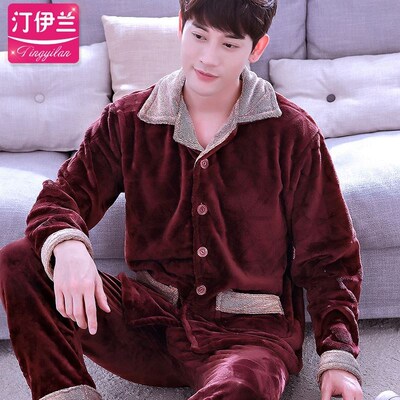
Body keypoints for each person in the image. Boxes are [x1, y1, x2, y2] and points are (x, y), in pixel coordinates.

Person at [0, 0, 363, 399]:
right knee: (21, 261)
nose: (208, 57)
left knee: (241, 387)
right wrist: (68, 245)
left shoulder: (292, 134)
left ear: (256, 48)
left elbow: (330, 256)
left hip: (248, 339)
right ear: (180, 26)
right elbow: (61, 197)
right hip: (149, 323)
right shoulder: (127, 120)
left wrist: (338, 356)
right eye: (199, 36)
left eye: (229, 45)